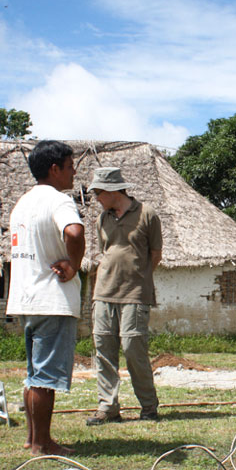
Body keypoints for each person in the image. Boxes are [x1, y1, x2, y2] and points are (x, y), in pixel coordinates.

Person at [6, 140, 85, 455]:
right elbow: (75, 233)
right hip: (52, 299)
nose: (74, 172)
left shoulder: (23, 203)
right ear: (55, 169)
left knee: (33, 374)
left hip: (26, 298)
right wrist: (74, 264)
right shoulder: (59, 201)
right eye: (70, 166)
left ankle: (31, 437)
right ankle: (43, 443)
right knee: (45, 377)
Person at [85, 167, 163, 426]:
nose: (96, 197)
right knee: (104, 351)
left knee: (133, 349)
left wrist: (138, 278)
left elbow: (155, 254)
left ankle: (149, 406)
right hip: (103, 293)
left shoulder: (147, 214)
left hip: (135, 294)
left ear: (112, 190)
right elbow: (105, 251)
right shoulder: (101, 219)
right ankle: (108, 408)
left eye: (98, 192)